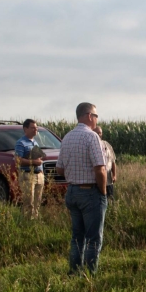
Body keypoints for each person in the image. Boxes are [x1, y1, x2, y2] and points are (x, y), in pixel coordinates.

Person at [56, 103, 108, 275]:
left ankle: (74, 272)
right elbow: (100, 168)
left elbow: (59, 169)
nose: (96, 119)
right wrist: (103, 191)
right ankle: (90, 275)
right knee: (93, 238)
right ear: (88, 116)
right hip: (90, 191)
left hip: (72, 191)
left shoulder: (67, 137)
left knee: (77, 237)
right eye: (96, 115)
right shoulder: (92, 137)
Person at [15, 119, 44, 219]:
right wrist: (33, 162)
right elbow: (18, 160)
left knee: (38, 201)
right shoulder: (21, 143)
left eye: (36, 128)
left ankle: (35, 221)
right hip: (28, 175)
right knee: (29, 202)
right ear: (25, 129)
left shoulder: (35, 142)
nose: (35, 130)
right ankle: (27, 222)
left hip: (38, 174)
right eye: (32, 128)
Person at [93, 126, 116, 199]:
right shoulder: (91, 145)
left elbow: (113, 161)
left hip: (109, 181)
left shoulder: (107, 145)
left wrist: (114, 175)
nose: (99, 134)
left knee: (110, 199)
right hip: (97, 182)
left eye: (100, 133)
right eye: (97, 133)